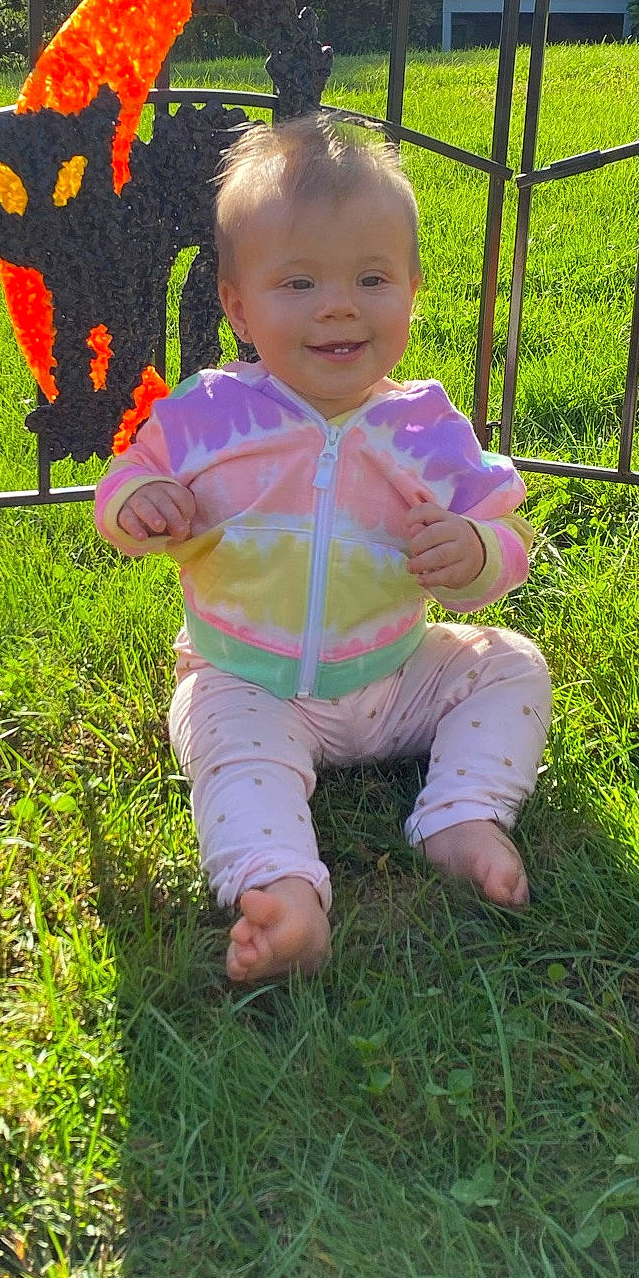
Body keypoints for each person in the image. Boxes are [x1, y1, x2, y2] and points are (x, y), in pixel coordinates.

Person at [94, 113, 552, 984]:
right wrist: (142, 504)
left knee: (513, 665)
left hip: (396, 671)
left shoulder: (425, 425)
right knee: (235, 754)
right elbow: (125, 482)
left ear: (413, 290)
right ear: (238, 305)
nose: (339, 305)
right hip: (249, 676)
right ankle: (283, 891)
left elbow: (508, 527)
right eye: (298, 284)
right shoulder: (207, 415)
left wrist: (478, 550)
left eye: (371, 279)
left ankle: (462, 813)